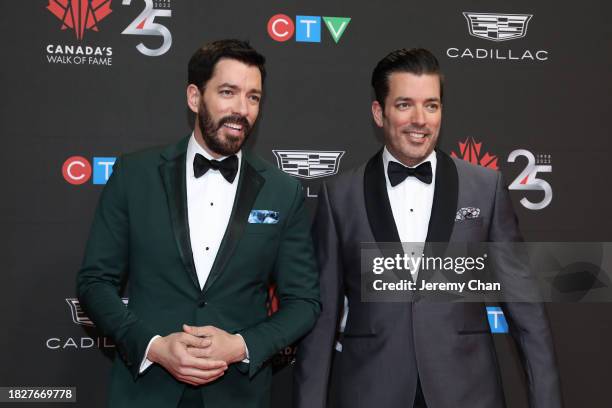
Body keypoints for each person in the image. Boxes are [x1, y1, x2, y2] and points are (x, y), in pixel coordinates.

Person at [293, 48, 562, 408]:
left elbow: (527, 312)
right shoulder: (339, 196)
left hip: (468, 393)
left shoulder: (485, 188)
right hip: (371, 393)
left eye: (431, 105)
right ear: (379, 112)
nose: (420, 119)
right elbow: (323, 321)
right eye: (405, 104)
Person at [77, 39, 320, 408]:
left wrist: (240, 346)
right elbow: (95, 282)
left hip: (238, 394)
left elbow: (303, 301)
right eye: (228, 92)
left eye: (253, 97)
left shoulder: (283, 192)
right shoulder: (134, 175)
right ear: (194, 97)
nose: (242, 109)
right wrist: (154, 347)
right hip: (146, 392)